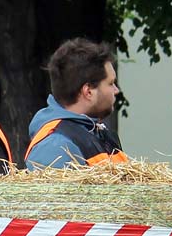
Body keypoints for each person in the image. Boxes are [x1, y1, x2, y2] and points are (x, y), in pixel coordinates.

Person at [26, 38, 128, 169]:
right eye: (110, 83)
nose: (116, 90)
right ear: (88, 91)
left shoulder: (97, 133)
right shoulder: (56, 147)